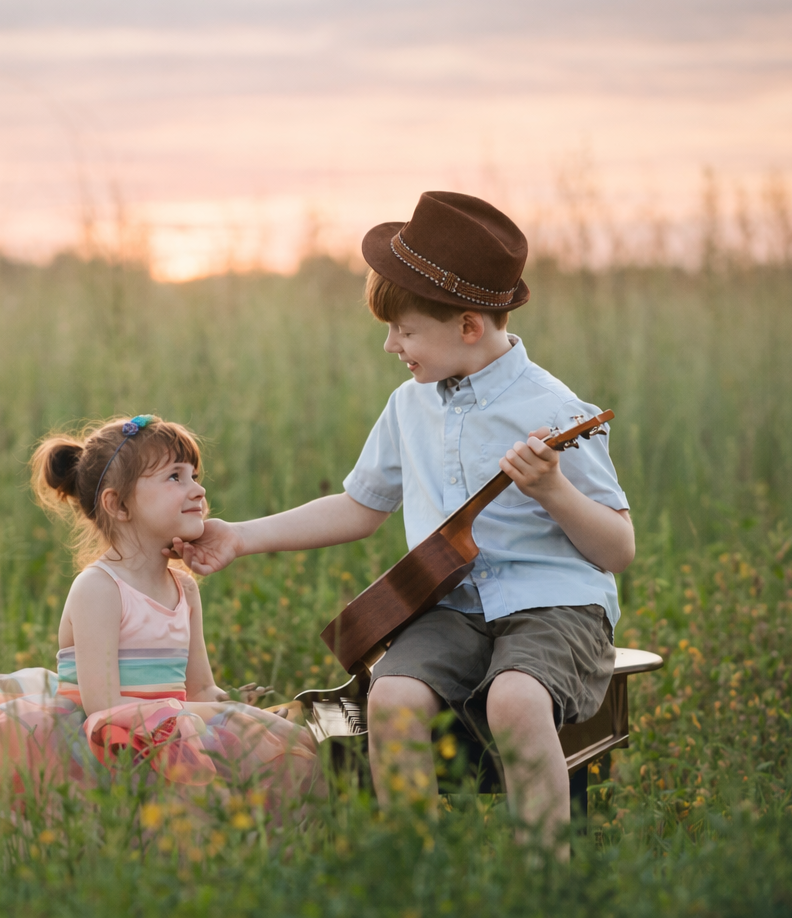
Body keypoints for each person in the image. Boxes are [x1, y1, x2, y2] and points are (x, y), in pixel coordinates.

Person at [173, 191, 633, 848]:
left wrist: (555, 491)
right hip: (451, 607)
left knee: (515, 699)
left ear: (469, 326)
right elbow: (359, 508)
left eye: (406, 331)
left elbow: (616, 549)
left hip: (554, 606)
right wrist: (240, 537)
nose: (392, 346)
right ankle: (415, 872)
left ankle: (543, 879)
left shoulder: (555, 409)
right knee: (391, 700)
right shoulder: (409, 406)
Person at [0, 414, 321, 821]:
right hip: (101, 743)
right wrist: (212, 717)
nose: (195, 490)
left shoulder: (185, 589)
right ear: (118, 504)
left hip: (173, 733)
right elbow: (105, 709)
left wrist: (237, 707)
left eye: (195, 476)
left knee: (280, 761)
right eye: (175, 477)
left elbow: (198, 691)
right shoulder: (99, 589)